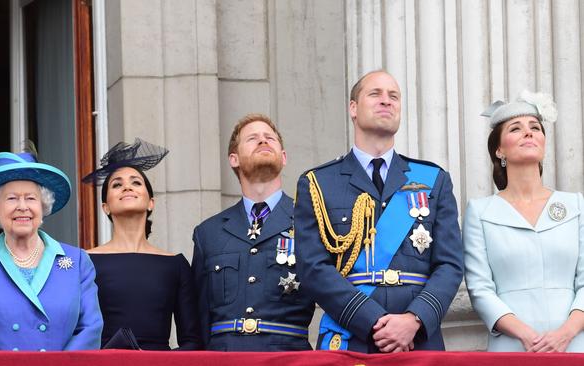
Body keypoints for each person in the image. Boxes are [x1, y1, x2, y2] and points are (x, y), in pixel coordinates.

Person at [294, 70, 463, 353]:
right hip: (352, 335)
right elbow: (313, 268)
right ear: (353, 108)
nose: (386, 101)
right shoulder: (318, 183)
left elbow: (450, 265)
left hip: (417, 340)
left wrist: (414, 319)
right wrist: (374, 320)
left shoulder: (434, 179)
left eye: (393, 96)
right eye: (375, 94)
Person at [463, 91, 584, 352]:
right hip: (512, 345)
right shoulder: (480, 211)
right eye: (516, 129)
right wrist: (527, 336)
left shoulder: (576, 205)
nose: (528, 133)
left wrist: (565, 334)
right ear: (499, 149)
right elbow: (480, 289)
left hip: (574, 344)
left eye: (535, 128)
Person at [0, 150, 103, 351]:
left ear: (43, 206)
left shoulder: (78, 260)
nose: (22, 207)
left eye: (31, 198)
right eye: (11, 198)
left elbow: (91, 329)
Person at [192, 113, 315, 351]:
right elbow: (199, 319)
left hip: (288, 357)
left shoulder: (309, 222)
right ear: (234, 159)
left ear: (284, 157)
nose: (263, 141)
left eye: (270, 137)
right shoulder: (208, 233)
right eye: (252, 138)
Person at [83, 138, 201, 350]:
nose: (127, 187)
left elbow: (192, 341)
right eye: (117, 184)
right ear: (105, 206)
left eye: (136, 182)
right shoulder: (85, 261)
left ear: (150, 202)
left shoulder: (176, 265)